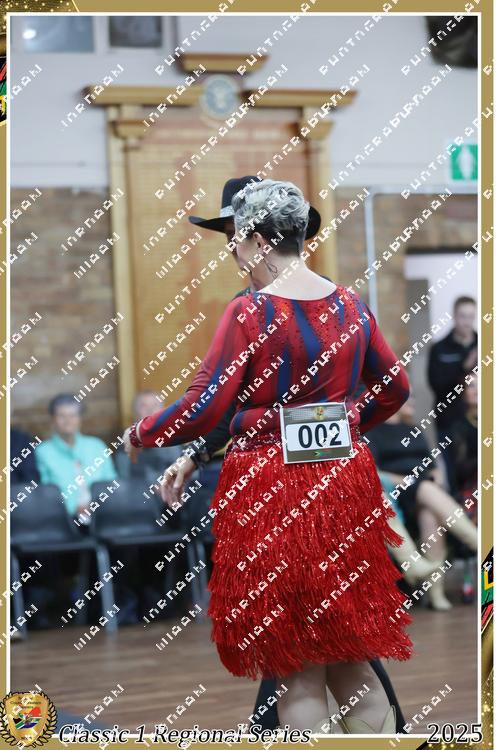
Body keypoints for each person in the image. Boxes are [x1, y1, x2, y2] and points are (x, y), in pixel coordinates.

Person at [124, 179, 414, 735]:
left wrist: (142, 433)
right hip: (344, 483)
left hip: (272, 487)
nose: (232, 251)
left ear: (259, 241)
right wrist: (347, 422)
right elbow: (396, 388)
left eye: (236, 240)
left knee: (297, 664)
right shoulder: (350, 303)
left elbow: (206, 405)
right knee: (351, 653)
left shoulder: (251, 310)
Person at [366, 392, 477, 610]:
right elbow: (374, 472)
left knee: (430, 515)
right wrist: (406, 480)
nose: (413, 402)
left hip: (424, 491)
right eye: (408, 398)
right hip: (397, 492)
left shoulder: (413, 429)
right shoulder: (374, 431)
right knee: (425, 489)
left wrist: (438, 476)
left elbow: (433, 464)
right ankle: (479, 543)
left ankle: (435, 593)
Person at [35, 394, 117, 519]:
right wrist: (73, 507)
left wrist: (96, 506)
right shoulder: (43, 451)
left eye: (73, 415)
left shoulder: (97, 445)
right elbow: (44, 492)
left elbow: (111, 482)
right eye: (61, 416)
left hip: (103, 515)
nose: (68, 421)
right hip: (62, 518)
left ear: (80, 418)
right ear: (53, 420)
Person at [427, 296, 477, 493]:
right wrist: (463, 367)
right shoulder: (440, 349)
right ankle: (456, 508)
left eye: (471, 316)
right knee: (454, 478)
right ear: (454, 316)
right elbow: (436, 385)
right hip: (448, 421)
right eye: (463, 316)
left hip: (478, 421)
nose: (467, 322)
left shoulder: (485, 344)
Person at [449, 378, 478, 603]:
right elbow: (459, 471)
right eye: (471, 385)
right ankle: (471, 580)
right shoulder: (459, 427)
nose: (476, 390)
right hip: (472, 486)